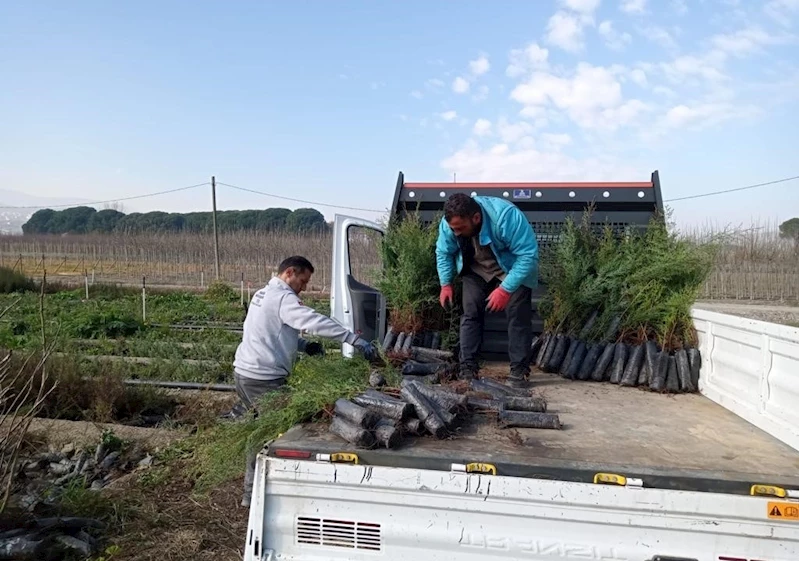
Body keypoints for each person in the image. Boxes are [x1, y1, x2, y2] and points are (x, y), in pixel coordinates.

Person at [234, 255, 377, 506]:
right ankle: (258, 495)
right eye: (303, 280)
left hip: (245, 374)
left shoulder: (262, 294)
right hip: (263, 379)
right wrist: (352, 339)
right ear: (290, 272)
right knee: (274, 433)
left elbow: (267, 331)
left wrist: (302, 345)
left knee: (258, 430)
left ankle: (250, 492)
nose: (305, 286)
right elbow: (312, 321)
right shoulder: (283, 298)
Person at [436, 193, 538, 385]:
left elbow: (527, 257)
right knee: (470, 312)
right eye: (453, 229)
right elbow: (443, 252)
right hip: (476, 269)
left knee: (517, 314)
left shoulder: (507, 217)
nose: (456, 233)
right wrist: (446, 284)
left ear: (476, 218)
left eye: (461, 228)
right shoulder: (449, 224)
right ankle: (468, 368)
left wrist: (505, 289)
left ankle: (519, 371)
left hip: (511, 269)